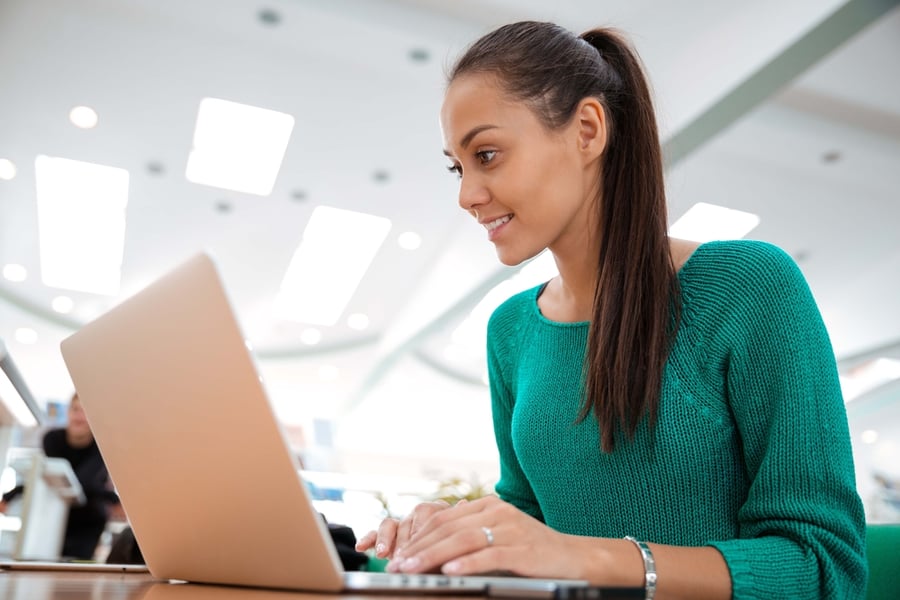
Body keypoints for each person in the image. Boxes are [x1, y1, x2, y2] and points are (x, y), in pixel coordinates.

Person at [354, 21, 867, 600]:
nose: (466, 193)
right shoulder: (511, 330)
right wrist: (455, 538)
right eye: (458, 166)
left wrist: (587, 557)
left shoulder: (748, 288)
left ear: (589, 130)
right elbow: (530, 516)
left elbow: (823, 568)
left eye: (487, 154)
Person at [1, 393, 124, 560]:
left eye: (85, 411)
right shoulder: (52, 439)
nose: (79, 416)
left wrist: (116, 501)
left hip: (89, 519)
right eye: (75, 409)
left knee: (75, 566)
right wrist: (10, 496)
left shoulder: (101, 445)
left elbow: (81, 483)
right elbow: (48, 477)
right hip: (55, 512)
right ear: (68, 412)